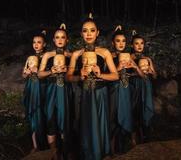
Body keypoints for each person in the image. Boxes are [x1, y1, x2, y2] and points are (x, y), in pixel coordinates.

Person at [66, 14, 118, 160]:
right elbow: (67, 77)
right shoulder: (76, 54)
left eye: (92, 30)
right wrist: (79, 76)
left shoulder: (105, 52)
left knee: (101, 123)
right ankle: (87, 154)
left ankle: (103, 153)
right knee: (84, 124)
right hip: (84, 94)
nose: (88, 34)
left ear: (98, 32)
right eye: (85, 30)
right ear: (81, 33)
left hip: (100, 94)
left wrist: (100, 74)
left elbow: (115, 75)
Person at [38, 24, 72, 158]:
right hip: (51, 90)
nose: (60, 40)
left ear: (67, 40)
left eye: (63, 37)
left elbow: (76, 75)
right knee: (51, 119)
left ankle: (65, 152)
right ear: (53, 40)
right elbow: (40, 74)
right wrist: (50, 71)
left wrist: (67, 70)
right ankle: (53, 154)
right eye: (57, 37)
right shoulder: (48, 55)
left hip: (65, 90)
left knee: (65, 120)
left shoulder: (70, 55)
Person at [109, 25, 143, 153]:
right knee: (113, 118)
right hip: (114, 90)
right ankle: (112, 150)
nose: (121, 43)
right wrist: (118, 67)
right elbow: (106, 75)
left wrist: (134, 67)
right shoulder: (110, 56)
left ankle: (134, 145)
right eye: (118, 41)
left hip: (127, 89)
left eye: (123, 41)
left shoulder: (130, 56)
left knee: (130, 115)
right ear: (113, 43)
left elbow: (141, 76)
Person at [22, 30, 47, 152]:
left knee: (41, 112)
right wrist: (26, 73)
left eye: (39, 42)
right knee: (32, 113)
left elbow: (47, 73)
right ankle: (35, 145)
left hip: (41, 87)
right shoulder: (29, 57)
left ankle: (46, 144)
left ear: (44, 44)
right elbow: (23, 74)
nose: (36, 45)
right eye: (34, 42)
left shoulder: (47, 57)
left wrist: (39, 70)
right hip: (31, 87)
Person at [130, 30, 157, 143]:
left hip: (146, 85)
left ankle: (145, 134)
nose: (139, 46)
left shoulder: (148, 59)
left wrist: (152, 72)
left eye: (142, 43)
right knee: (135, 108)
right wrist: (137, 71)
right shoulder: (129, 58)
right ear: (132, 45)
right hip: (135, 85)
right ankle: (134, 136)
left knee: (146, 107)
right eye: (137, 43)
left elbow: (155, 76)